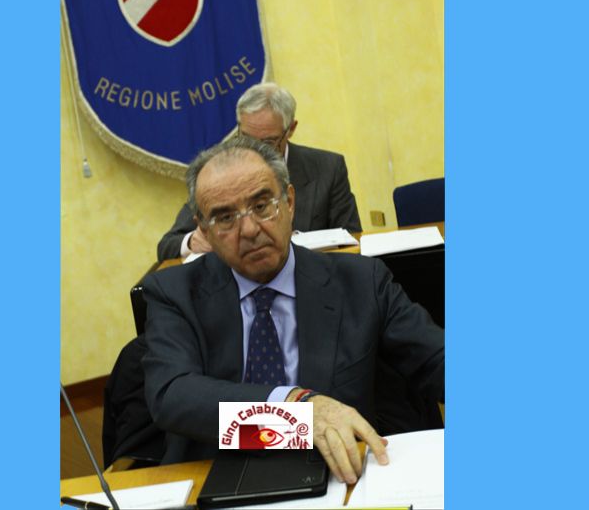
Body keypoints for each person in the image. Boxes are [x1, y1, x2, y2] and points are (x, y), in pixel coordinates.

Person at [142, 136, 444, 484]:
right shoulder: (175, 292)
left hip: (339, 474)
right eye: (225, 218)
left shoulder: (361, 282)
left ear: (289, 202)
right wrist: (294, 413)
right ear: (205, 230)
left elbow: (436, 359)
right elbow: (172, 396)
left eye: (261, 206)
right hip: (222, 474)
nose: (249, 230)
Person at [156, 83, 362, 262]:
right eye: (246, 139)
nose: (254, 150)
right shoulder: (218, 174)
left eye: (268, 142)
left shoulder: (327, 167)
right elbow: (167, 246)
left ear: (290, 129)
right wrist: (192, 241)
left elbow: (353, 239)